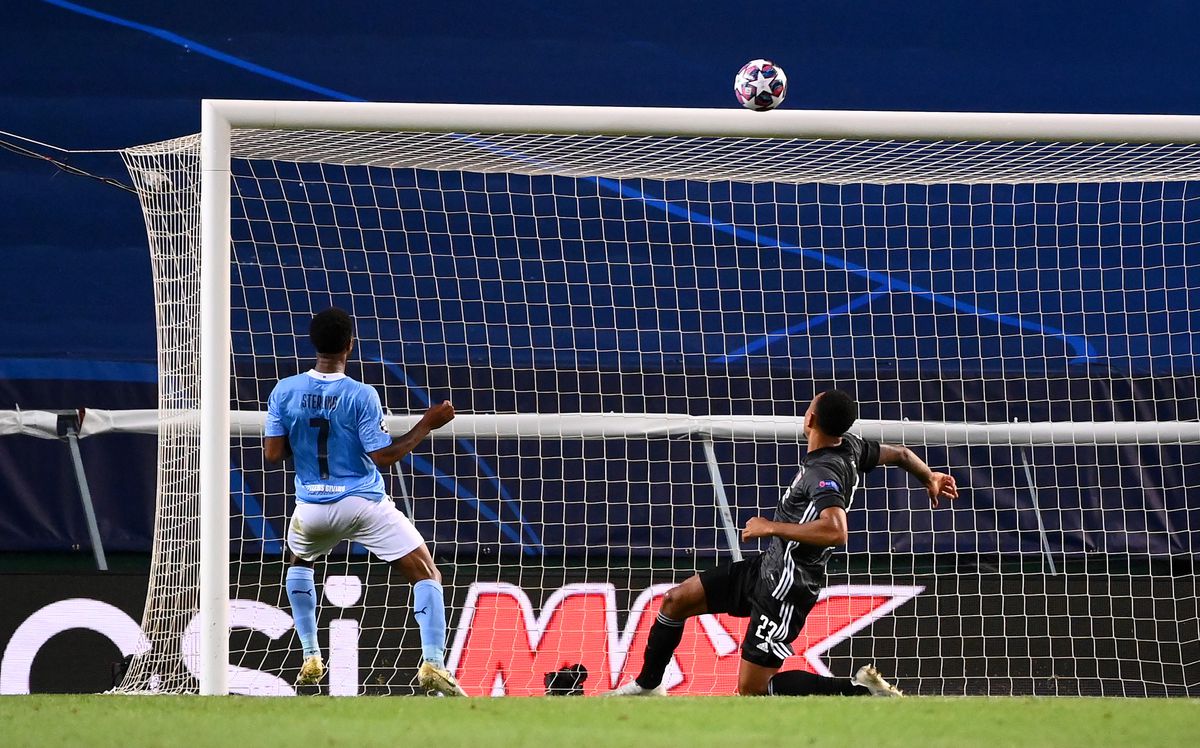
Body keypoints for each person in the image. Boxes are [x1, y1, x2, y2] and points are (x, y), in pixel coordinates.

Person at [609, 389, 959, 697]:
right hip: (767, 567)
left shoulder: (823, 473)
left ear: (811, 419)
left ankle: (858, 689)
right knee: (676, 600)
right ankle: (649, 685)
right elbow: (898, 453)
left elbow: (835, 530)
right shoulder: (852, 446)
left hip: (787, 586)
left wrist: (770, 527)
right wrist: (930, 476)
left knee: (752, 689)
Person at [264, 307, 466, 697]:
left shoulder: (283, 391)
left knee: (300, 561)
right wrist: (428, 422)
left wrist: (306, 436)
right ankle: (433, 664)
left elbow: (273, 455)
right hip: (362, 504)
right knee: (427, 573)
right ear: (349, 345)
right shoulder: (361, 395)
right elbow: (384, 457)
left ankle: (310, 653)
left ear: (313, 343)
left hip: (311, 509)